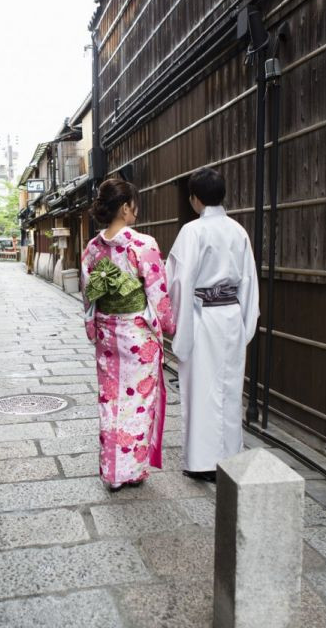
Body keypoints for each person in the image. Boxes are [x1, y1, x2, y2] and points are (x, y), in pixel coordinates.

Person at [81, 178, 176, 491]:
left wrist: (93, 328)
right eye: (133, 204)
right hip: (136, 336)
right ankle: (130, 471)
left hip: (108, 332)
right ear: (125, 207)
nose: (136, 210)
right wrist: (167, 324)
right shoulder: (142, 244)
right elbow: (157, 293)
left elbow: (89, 296)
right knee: (137, 401)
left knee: (110, 399)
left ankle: (111, 469)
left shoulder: (92, 249)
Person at [166, 168, 259, 482]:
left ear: (195, 199)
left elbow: (179, 280)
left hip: (202, 317)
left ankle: (202, 461)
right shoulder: (238, 231)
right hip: (231, 315)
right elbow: (248, 281)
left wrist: (176, 325)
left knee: (202, 389)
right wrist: (246, 322)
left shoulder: (193, 232)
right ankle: (229, 458)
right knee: (229, 388)